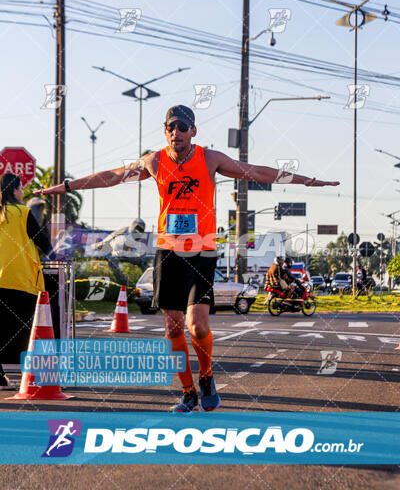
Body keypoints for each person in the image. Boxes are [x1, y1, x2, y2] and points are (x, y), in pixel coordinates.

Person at [35, 104, 339, 412]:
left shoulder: (210, 159)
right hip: (168, 253)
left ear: (193, 130)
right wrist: (66, 187)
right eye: (170, 127)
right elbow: (112, 176)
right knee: (174, 329)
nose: (176, 132)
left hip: (202, 252)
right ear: (165, 131)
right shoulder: (154, 161)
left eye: (182, 126)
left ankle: (206, 376)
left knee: (197, 326)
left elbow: (257, 172)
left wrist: (309, 181)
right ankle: (188, 392)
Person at [0, 173, 54, 389]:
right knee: (26, 331)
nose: (22, 192)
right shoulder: (23, 213)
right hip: (19, 280)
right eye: (21, 188)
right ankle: (30, 378)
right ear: (14, 190)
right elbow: (44, 242)